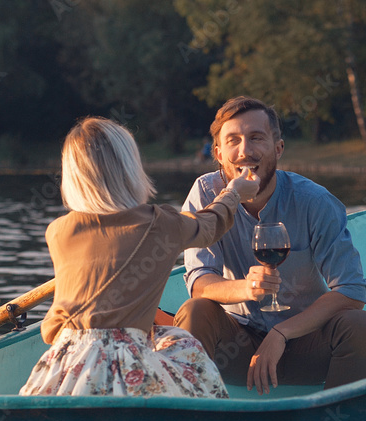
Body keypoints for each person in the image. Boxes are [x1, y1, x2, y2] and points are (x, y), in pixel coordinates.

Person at [20, 117, 259, 397]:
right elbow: (209, 226)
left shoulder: (58, 232)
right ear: (130, 169)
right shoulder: (161, 223)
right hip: (124, 364)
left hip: (65, 361)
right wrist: (233, 193)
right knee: (185, 346)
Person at [174, 96, 366, 394]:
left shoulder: (314, 201)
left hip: (305, 343)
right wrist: (246, 288)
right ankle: (191, 419)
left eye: (256, 138)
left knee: (360, 325)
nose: (245, 151)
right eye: (233, 140)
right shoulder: (205, 194)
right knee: (195, 310)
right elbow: (200, 283)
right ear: (218, 153)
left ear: (278, 148)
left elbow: (350, 290)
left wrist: (282, 333)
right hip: (238, 348)